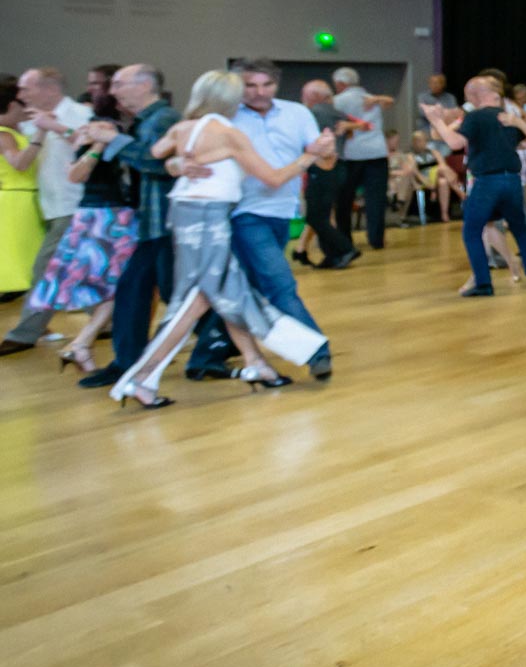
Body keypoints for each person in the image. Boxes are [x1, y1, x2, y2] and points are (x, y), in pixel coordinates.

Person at [110, 71, 331, 408]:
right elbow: (272, 178)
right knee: (200, 297)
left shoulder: (183, 128)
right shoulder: (230, 134)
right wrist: (310, 156)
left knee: (227, 290)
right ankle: (141, 379)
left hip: (184, 215)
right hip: (209, 219)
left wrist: (178, 165)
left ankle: (257, 364)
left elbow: (157, 154)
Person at [170, 59, 339, 383]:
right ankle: (316, 351)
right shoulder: (223, 119)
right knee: (279, 284)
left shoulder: (298, 113)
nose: (260, 92)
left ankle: (205, 357)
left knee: (244, 285)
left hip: (282, 212)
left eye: (267, 85)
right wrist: (179, 165)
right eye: (251, 85)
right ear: (238, 87)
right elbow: (175, 154)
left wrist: (327, 152)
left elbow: (325, 163)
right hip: (241, 213)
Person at [75, 65, 182, 390]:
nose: (113, 90)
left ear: (145, 85)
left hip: (164, 221)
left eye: (120, 84)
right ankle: (126, 362)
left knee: (173, 293)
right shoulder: (143, 121)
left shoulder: (165, 119)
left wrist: (115, 140)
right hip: (148, 222)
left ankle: (221, 344)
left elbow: (156, 163)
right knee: (134, 291)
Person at [22, 105, 139, 373]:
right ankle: (82, 343)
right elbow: (76, 175)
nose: (86, 130)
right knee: (115, 287)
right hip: (104, 219)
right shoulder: (93, 146)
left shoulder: (107, 145)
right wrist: (94, 146)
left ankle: (83, 344)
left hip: (109, 217)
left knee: (115, 287)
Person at [421, 75, 526, 296]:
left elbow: (455, 142)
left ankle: (483, 283)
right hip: (512, 180)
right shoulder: (507, 117)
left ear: (474, 96)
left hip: (488, 181)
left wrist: (436, 120)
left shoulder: (475, 117)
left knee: (471, 230)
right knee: (519, 228)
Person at [0, 68, 92, 349]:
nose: (22, 95)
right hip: (48, 207)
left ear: (49, 89)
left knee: (46, 270)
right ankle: (108, 322)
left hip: (74, 203)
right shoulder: (28, 123)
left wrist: (56, 128)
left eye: (27, 89)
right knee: (80, 269)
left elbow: (93, 146)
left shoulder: (78, 114)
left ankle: (24, 334)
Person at [295, 79, 360, 269]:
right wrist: (348, 128)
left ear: (313, 96)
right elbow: (361, 126)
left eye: (304, 95)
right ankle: (330, 255)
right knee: (320, 216)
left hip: (323, 168)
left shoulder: (314, 112)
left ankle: (345, 249)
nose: (302, 99)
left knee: (316, 217)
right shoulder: (335, 112)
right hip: (336, 168)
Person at [332, 66, 393, 252]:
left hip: (352, 155)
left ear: (341, 84)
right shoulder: (370, 97)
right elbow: (390, 101)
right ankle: (376, 239)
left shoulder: (338, 100)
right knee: (375, 199)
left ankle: (345, 238)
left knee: (344, 198)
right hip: (377, 153)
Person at [0, 78, 47, 298]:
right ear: (11, 105)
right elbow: (19, 164)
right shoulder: (3, 134)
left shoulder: (12, 130)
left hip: (22, 200)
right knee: (27, 263)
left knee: (30, 263)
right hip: (17, 202)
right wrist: (41, 134)